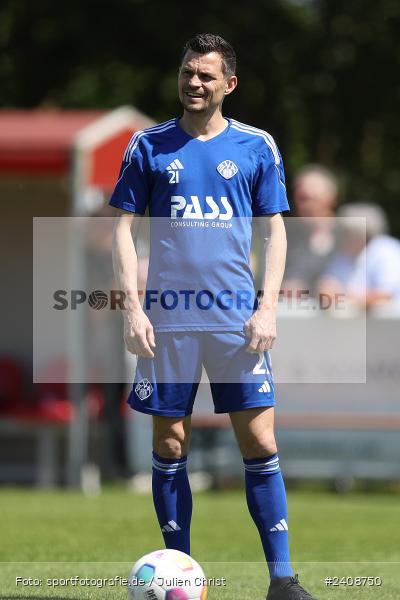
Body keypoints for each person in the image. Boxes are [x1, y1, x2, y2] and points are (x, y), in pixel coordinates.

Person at [110, 33, 317, 600]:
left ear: (229, 84)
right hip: (168, 320)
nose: (193, 83)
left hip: (235, 322)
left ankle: (282, 579)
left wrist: (267, 306)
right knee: (171, 443)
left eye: (205, 75)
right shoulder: (148, 145)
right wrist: (133, 309)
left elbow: (276, 231)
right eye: (186, 72)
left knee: (259, 441)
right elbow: (123, 231)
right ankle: (178, 575)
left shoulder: (256, 146)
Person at [317, 202, 400, 309]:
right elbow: (326, 285)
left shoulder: (387, 251)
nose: (341, 237)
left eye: (345, 233)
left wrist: (343, 298)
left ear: (362, 233)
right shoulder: (341, 255)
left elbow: (385, 295)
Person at [283, 164, 339, 298]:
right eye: (301, 198)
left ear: (330, 199)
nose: (304, 206)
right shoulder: (286, 236)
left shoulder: (347, 236)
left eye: (310, 199)